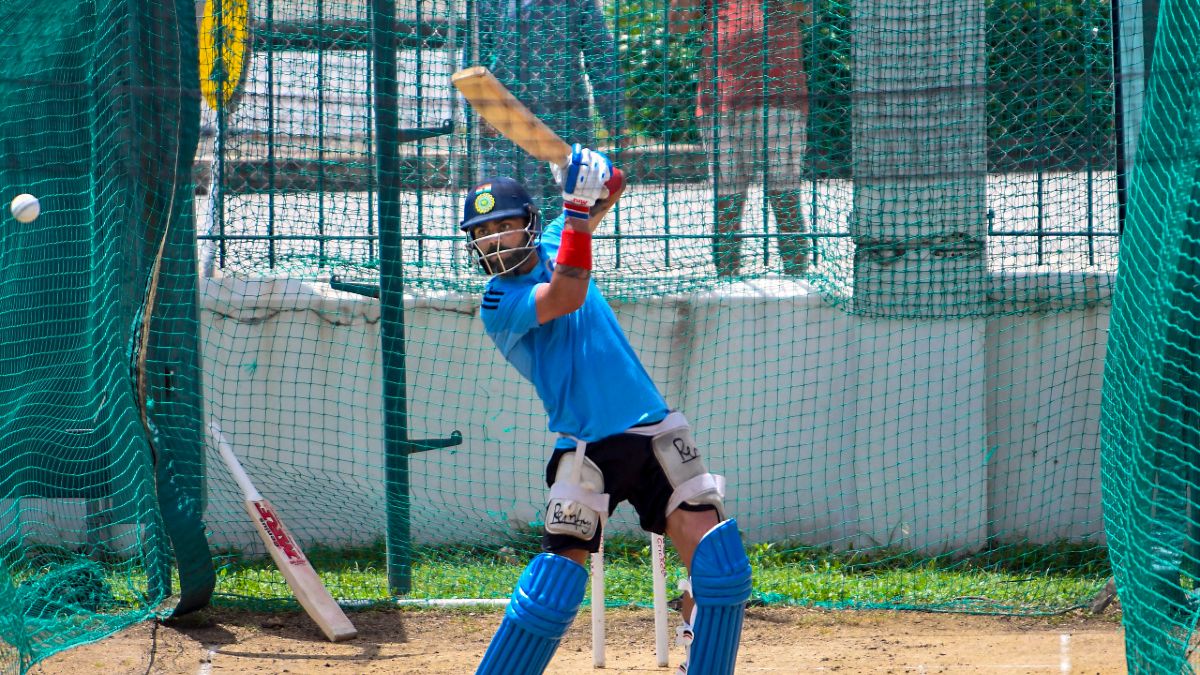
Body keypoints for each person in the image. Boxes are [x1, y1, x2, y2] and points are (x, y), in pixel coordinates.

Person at [462, 146, 751, 675]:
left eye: (502, 226)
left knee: (721, 566)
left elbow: (614, 184)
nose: (493, 240)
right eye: (481, 233)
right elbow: (567, 294)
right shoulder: (497, 301)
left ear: (528, 224)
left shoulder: (558, 238)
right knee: (552, 589)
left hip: (655, 430)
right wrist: (575, 208)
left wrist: (587, 167)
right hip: (587, 448)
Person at [670, 0, 812, 278]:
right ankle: (727, 280)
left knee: (785, 195)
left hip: (782, 97)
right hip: (721, 99)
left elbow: (805, 12)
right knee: (727, 201)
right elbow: (679, 25)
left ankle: (797, 279)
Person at [474, 0, 623, 216]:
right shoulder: (490, 3)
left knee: (567, 203)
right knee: (507, 206)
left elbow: (601, 59)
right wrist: (480, 111)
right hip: (507, 121)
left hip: (564, 121)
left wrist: (615, 119)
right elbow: (476, 63)